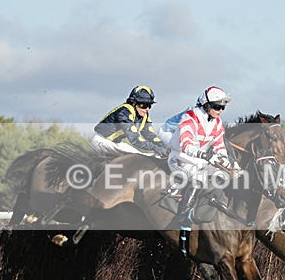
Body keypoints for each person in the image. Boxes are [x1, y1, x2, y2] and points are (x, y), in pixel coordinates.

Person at [167, 86, 234, 242]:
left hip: (199, 159)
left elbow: (219, 145)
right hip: (180, 157)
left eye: (223, 107)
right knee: (199, 179)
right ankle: (182, 218)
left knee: (222, 176)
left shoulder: (217, 123)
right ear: (207, 105)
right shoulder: (190, 117)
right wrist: (203, 155)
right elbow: (186, 144)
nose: (220, 110)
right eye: (217, 106)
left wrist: (223, 157)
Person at [91, 85, 169, 158]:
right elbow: (135, 139)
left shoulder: (144, 115)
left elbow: (149, 134)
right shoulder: (124, 112)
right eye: (144, 105)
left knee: (145, 156)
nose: (147, 109)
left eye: (149, 105)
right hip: (101, 141)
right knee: (141, 156)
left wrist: (163, 145)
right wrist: (155, 148)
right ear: (134, 103)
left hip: (116, 143)